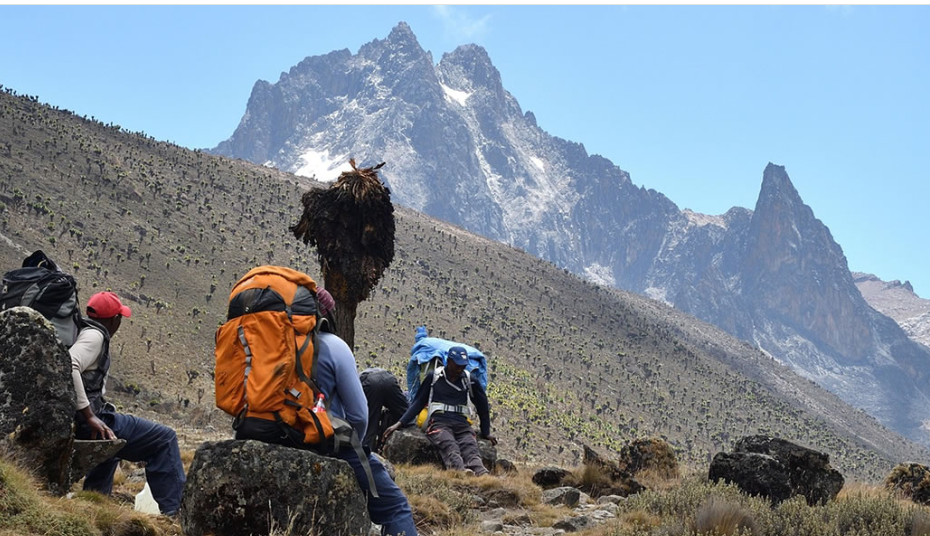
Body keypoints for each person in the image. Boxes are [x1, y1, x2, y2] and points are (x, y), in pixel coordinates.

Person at [236, 288, 418, 536]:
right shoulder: (334, 346)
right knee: (395, 507)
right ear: (325, 315)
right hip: (323, 442)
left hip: (263, 434)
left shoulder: (263, 344)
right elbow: (359, 414)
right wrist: (355, 445)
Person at [70, 291, 186, 516]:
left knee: (111, 442)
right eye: (119, 318)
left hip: (85, 418)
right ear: (113, 319)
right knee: (164, 438)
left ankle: (95, 505)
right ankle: (175, 514)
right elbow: (71, 363)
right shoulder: (95, 336)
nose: (120, 323)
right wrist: (89, 415)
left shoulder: (82, 330)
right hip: (88, 419)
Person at [384, 346, 497, 476]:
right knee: (449, 444)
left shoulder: (469, 380)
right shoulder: (434, 377)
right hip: (439, 423)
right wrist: (399, 424)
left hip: (462, 424)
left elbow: (483, 407)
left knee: (470, 447)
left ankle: (482, 474)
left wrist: (486, 432)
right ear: (449, 361)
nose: (460, 369)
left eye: (463, 366)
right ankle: (460, 472)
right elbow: (418, 402)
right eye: (457, 365)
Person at [359, 367, 409, 453]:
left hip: (370, 383)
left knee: (370, 424)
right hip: (389, 379)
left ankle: (367, 454)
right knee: (405, 415)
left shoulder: (359, 376)